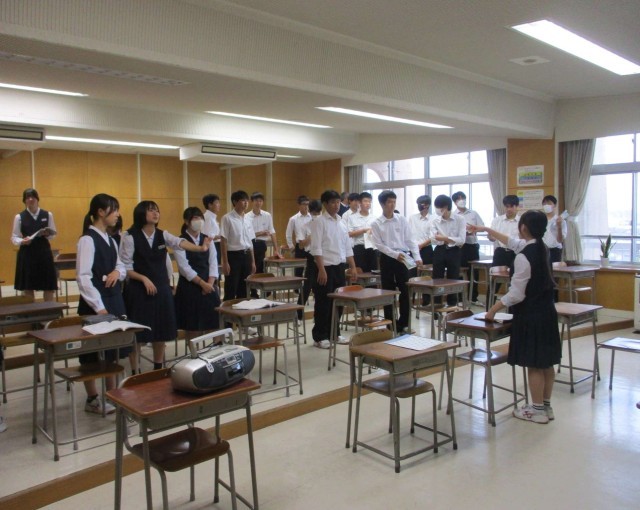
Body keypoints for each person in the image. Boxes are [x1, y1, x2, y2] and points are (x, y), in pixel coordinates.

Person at [471, 210, 561, 424]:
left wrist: (493, 310)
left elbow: (516, 294)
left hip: (531, 315)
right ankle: (545, 406)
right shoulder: (542, 247)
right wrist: (486, 229)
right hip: (547, 312)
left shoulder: (523, 257)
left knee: (534, 364)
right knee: (546, 362)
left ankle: (537, 411)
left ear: (523, 228)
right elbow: (511, 242)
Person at [120, 200, 210, 370]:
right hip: (138, 290)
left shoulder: (163, 234)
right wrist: (143, 278)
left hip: (161, 288)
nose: (156, 213)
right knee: (137, 333)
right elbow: (126, 267)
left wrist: (200, 248)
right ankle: (135, 371)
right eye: (151, 210)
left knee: (160, 331)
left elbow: (180, 242)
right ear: (141, 213)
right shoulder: (130, 236)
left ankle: (158, 366)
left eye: (157, 210)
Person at [76, 193, 135, 413]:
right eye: (114, 209)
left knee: (112, 351)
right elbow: (83, 277)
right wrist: (99, 307)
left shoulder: (110, 239)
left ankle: (112, 395)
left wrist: (117, 272)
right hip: (96, 304)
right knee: (91, 353)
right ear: (101, 212)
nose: (118, 214)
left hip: (114, 299)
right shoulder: (87, 240)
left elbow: (120, 266)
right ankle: (92, 398)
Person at [309, 190, 357, 348]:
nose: (336, 205)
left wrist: (353, 267)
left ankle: (334, 333)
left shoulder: (342, 222)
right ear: (325, 204)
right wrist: (321, 269)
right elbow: (316, 248)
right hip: (324, 267)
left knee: (338, 302)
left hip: (339, 267)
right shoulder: (319, 222)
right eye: (333, 202)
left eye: (338, 202)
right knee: (323, 302)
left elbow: (347, 247)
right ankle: (320, 336)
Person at [370, 190, 422, 332]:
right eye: (389, 202)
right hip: (387, 258)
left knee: (405, 290)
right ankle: (391, 324)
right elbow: (379, 244)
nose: (392, 205)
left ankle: (404, 324)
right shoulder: (376, 223)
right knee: (388, 291)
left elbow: (410, 239)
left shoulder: (401, 219)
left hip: (403, 257)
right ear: (382, 204)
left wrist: (417, 257)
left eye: (394, 201)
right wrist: (394, 254)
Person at [173, 207, 220, 343]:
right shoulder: (180, 241)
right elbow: (184, 268)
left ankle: (218, 349)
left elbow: (213, 262)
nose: (199, 221)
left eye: (200, 218)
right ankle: (194, 353)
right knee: (192, 324)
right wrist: (202, 283)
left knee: (215, 321)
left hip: (209, 284)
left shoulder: (207, 239)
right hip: (190, 285)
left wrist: (209, 284)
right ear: (187, 221)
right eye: (195, 218)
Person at [11, 188, 58, 302]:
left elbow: (53, 234)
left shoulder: (48, 214)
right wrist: (22, 241)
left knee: (48, 286)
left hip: (44, 253)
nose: (30, 199)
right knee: (28, 286)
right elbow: (14, 237)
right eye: (27, 197)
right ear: (24, 200)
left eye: (33, 197)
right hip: (27, 254)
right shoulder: (19, 217)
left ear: (37, 199)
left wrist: (48, 234)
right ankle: (31, 312)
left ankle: (49, 311)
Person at [429, 195, 466, 306]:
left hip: (454, 251)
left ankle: (452, 304)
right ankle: (436, 304)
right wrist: (449, 239)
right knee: (437, 278)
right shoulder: (434, 220)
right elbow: (433, 239)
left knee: (453, 277)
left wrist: (444, 238)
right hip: (439, 250)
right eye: (436, 207)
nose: (437, 210)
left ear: (446, 207)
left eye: (439, 207)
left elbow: (461, 240)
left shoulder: (460, 219)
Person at [220, 190, 256, 302]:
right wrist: (225, 262)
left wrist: (253, 262)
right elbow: (223, 241)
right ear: (235, 202)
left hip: (247, 255)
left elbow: (250, 242)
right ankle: (227, 313)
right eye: (243, 200)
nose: (246, 203)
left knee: (244, 289)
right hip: (233, 256)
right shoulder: (227, 218)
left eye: (247, 201)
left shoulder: (248, 219)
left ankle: (242, 311)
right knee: (231, 287)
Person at [452, 191, 484, 305]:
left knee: (474, 272)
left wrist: (473, 229)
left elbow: (482, 227)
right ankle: (460, 298)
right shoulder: (453, 215)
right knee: (460, 272)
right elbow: (452, 232)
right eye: (458, 199)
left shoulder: (473, 213)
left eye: (463, 198)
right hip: (460, 247)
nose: (461, 200)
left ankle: (473, 298)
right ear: (455, 202)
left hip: (472, 246)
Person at [246, 191, 282, 294]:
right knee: (251, 268)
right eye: (256, 200)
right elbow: (247, 234)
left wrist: (276, 249)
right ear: (252, 201)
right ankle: (253, 291)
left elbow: (272, 231)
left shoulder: (267, 215)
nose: (259, 203)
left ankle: (264, 289)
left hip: (261, 245)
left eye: (261, 201)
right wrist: (260, 233)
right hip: (250, 244)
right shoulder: (247, 216)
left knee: (260, 267)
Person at [296, 199, 322, 319]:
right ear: (310, 212)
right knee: (307, 286)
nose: (316, 215)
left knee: (321, 287)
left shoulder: (324, 224)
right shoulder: (305, 226)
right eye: (314, 213)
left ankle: (319, 314)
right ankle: (299, 314)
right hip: (311, 256)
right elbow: (301, 245)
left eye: (318, 213)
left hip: (324, 256)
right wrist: (312, 236)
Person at [409, 194, 433, 306]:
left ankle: (426, 301)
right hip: (413, 249)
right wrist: (414, 246)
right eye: (418, 204)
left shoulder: (433, 219)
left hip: (426, 249)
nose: (420, 206)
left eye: (422, 204)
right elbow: (409, 233)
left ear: (427, 205)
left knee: (426, 276)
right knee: (411, 274)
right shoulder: (412, 218)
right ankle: (411, 300)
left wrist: (422, 245)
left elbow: (433, 236)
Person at [345, 192, 377, 273]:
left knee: (373, 273)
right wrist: (363, 230)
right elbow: (349, 234)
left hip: (372, 248)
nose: (368, 203)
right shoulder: (352, 217)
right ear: (360, 202)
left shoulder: (374, 218)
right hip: (359, 248)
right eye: (365, 201)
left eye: (369, 201)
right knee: (360, 272)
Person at [284, 195, 312, 278]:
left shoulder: (312, 217)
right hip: (299, 247)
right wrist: (291, 247)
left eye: (307, 204)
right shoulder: (293, 219)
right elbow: (288, 234)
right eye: (304, 204)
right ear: (299, 205)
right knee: (298, 270)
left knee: (310, 270)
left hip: (311, 246)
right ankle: (298, 286)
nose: (306, 206)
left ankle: (308, 285)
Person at [541, 195, 567, 264]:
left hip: (555, 251)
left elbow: (560, 240)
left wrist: (559, 227)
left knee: (554, 269)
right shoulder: (540, 220)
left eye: (549, 203)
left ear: (554, 205)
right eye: (544, 204)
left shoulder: (561, 221)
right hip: (542, 250)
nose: (546, 205)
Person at [202, 193, 222, 266]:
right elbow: (206, 235)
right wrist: (220, 236)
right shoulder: (207, 217)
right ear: (210, 205)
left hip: (216, 245)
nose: (219, 205)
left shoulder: (212, 217)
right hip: (211, 245)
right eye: (216, 202)